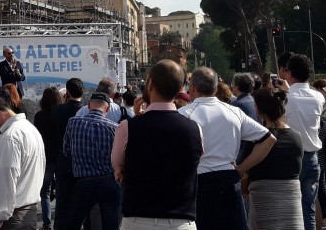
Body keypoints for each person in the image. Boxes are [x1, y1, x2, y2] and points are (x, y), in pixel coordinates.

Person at [179, 67, 275, 230]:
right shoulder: (233, 111)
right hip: (229, 180)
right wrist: (242, 168)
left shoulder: (183, 114)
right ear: (216, 88)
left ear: (192, 87)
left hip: (198, 182)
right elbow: (268, 139)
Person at [112, 60, 202, 230]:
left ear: (150, 84)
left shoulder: (127, 127)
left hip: (138, 220)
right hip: (181, 221)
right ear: (180, 88)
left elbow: (118, 166)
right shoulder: (195, 129)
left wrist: (138, 119)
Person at [0, 94, 44, 230]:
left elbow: (5, 187)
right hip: (25, 213)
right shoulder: (30, 129)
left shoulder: (10, 137)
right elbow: (24, 171)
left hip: (10, 219)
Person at [62, 91, 123, 230]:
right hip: (108, 180)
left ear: (88, 105)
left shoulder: (73, 123)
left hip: (83, 181)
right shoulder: (114, 128)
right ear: (107, 108)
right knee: (111, 223)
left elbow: (67, 151)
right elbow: (119, 157)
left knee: (73, 223)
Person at [278, 53, 324, 230]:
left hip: (291, 158)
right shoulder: (318, 97)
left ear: (289, 73)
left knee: (290, 211)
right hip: (312, 157)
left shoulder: (287, 98)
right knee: (308, 209)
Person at [246, 89, 304, 230]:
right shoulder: (296, 137)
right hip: (291, 194)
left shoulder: (257, 138)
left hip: (263, 196)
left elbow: (248, 170)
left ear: (258, 110)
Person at [53, 77, 86, 230]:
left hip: (64, 159)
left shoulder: (59, 110)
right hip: (82, 159)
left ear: (67, 92)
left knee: (63, 200)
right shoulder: (85, 110)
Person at [33, 87, 61, 230]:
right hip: (60, 156)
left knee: (44, 192)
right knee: (62, 192)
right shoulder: (61, 114)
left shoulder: (39, 116)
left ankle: (46, 224)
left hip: (46, 157)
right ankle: (60, 223)